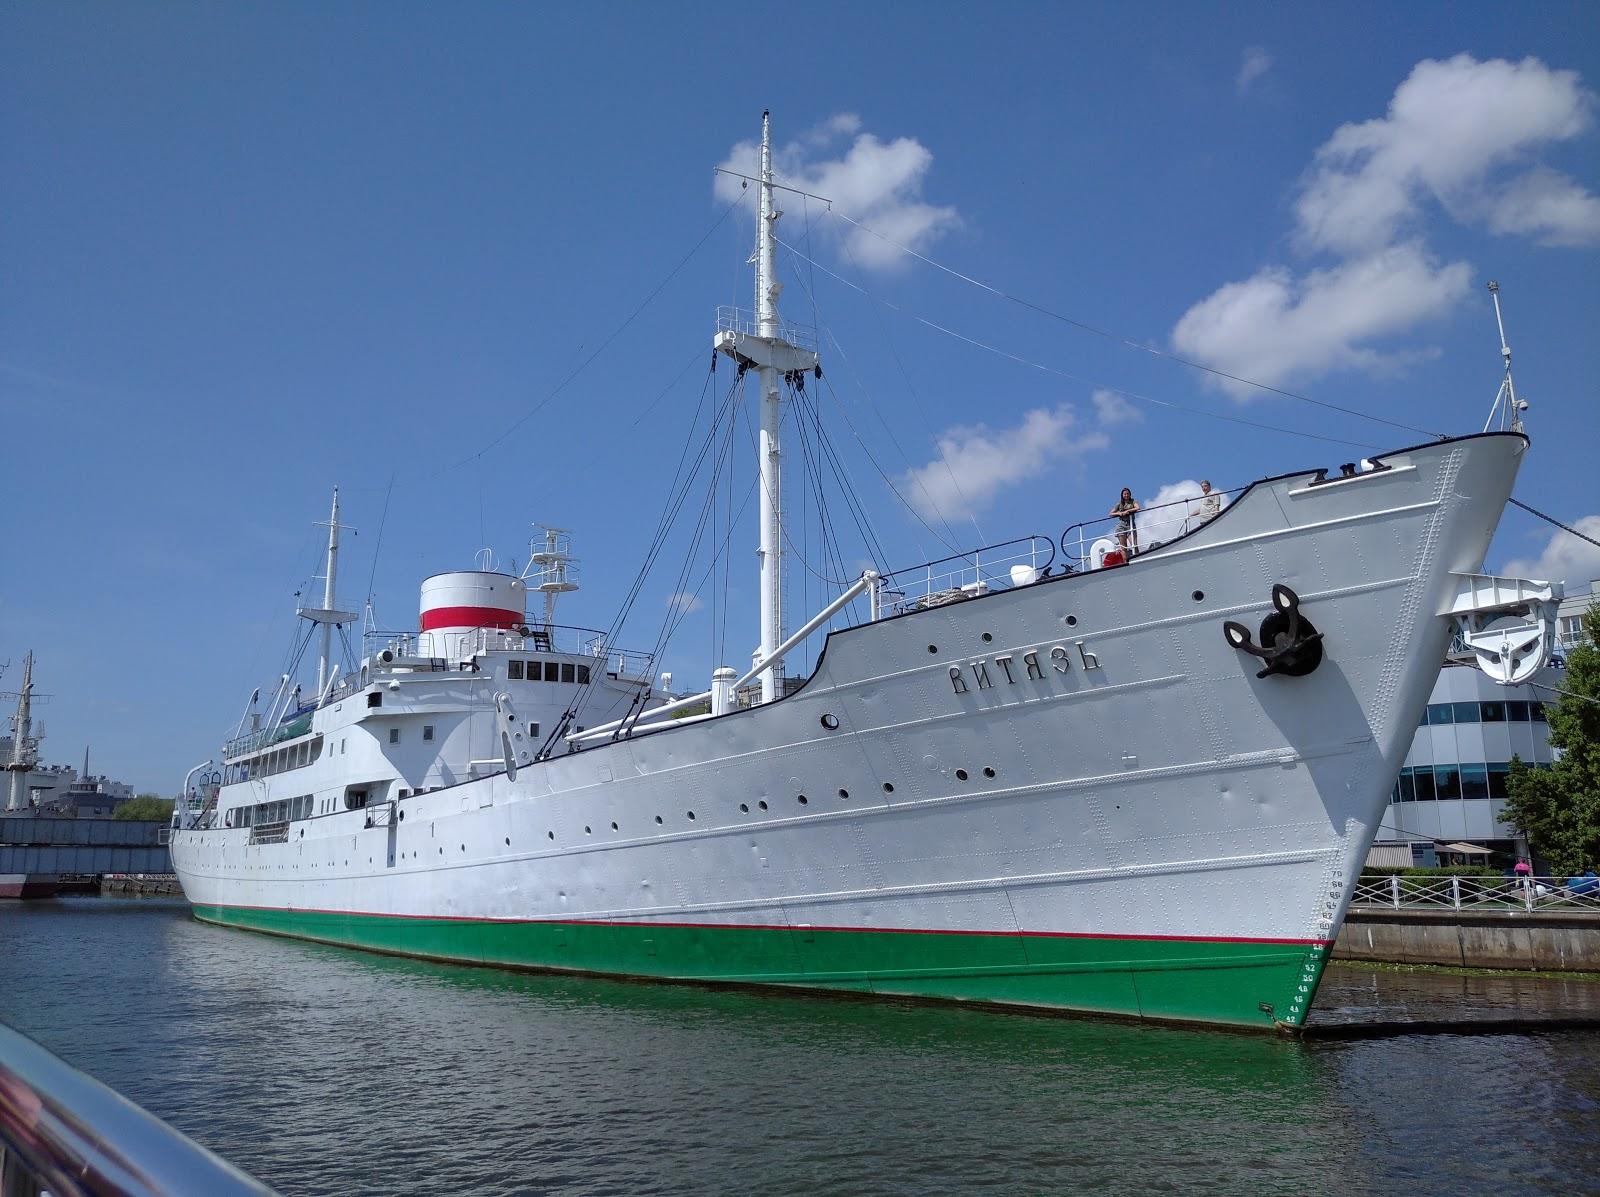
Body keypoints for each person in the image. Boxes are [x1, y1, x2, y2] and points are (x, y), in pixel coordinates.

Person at [1109, 488, 1139, 555]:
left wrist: (1128, 511)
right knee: (1123, 548)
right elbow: (1110, 514)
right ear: (1122, 495)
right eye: (1125, 494)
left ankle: (1138, 558)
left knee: (1134, 545)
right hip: (1121, 526)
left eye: (1127, 494)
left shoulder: (1133, 501)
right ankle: (1125, 560)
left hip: (1130, 524)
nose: (1126, 495)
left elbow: (1137, 508)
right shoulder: (1119, 504)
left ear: (1130, 494)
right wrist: (1119, 513)